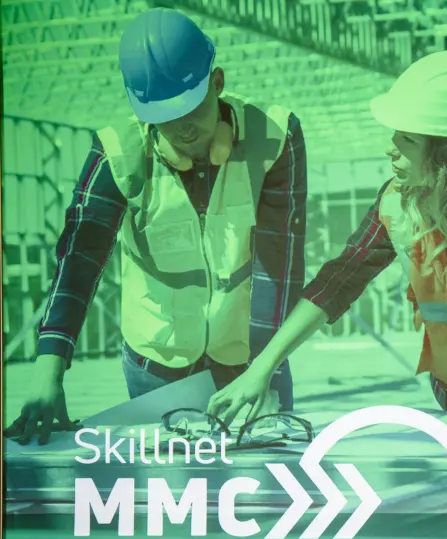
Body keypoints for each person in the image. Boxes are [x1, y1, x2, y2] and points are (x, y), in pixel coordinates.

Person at [206, 49, 447, 433]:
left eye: (407, 140)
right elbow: (337, 282)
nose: (389, 148)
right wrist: (259, 371)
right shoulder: (397, 201)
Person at [5, 7, 306, 445]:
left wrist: (265, 371)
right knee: (171, 500)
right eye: (163, 115)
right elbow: (78, 260)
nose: (182, 127)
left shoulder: (275, 137)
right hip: (155, 365)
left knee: (264, 493)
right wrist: (47, 371)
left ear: (217, 82)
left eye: (192, 108)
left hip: (250, 353)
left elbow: (279, 265)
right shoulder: (117, 154)